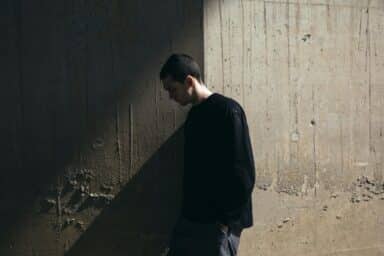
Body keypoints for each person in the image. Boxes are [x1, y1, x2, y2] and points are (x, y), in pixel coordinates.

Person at [160, 53, 255, 256]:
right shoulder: (194, 117)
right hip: (192, 220)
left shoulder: (228, 111)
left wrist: (225, 223)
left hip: (217, 225)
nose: (171, 96)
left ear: (189, 81)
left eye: (172, 89)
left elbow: (244, 173)